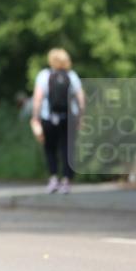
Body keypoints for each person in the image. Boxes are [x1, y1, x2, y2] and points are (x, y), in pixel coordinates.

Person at [31, 48, 85, 194]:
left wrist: (35, 117)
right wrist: (81, 117)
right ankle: (66, 181)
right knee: (67, 149)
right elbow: (80, 99)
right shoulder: (71, 75)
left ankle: (53, 179)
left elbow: (38, 98)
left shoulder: (44, 75)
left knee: (50, 149)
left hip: (48, 117)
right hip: (68, 117)